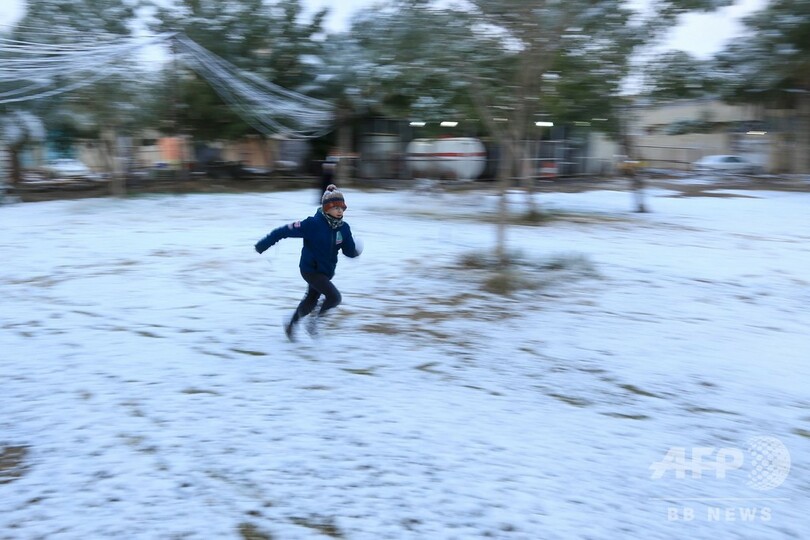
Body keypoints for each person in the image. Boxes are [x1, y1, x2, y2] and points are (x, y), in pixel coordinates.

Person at [255, 184, 363, 341]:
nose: (340, 211)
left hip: (326, 271)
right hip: (310, 269)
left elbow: (348, 250)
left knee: (311, 301)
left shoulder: (343, 229)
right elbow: (283, 231)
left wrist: (355, 252)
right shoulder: (312, 224)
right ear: (326, 208)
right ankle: (314, 322)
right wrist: (263, 244)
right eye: (335, 207)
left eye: (342, 208)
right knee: (334, 297)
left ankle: (291, 325)